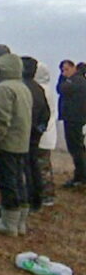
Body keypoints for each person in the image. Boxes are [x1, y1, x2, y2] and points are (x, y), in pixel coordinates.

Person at [0, 52, 33, 237]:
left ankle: (9, 223)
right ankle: (20, 222)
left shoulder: (4, 88)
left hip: (7, 143)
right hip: (22, 143)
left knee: (7, 182)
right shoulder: (23, 88)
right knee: (19, 181)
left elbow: (1, 119)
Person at [22, 56, 51, 213]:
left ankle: (29, 199)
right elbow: (46, 113)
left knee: (25, 167)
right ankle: (37, 199)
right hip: (34, 135)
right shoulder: (38, 88)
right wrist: (39, 130)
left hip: (24, 134)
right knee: (34, 166)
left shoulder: (23, 87)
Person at [57, 59, 86, 187]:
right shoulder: (79, 80)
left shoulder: (76, 81)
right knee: (77, 148)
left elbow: (60, 89)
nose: (64, 73)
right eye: (62, 70)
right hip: (75, 119)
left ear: (74, 68)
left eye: (66, 69)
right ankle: (80, 175)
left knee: (76, 148)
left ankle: (81, 176)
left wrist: (62, 77)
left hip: (74, 119)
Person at [35, 62, 58, 206]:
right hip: (48, 134)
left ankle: (46, 195)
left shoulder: (40, 90)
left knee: (41, 168)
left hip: (41, 135)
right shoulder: (48, 89)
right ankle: (48, 194)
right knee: (45, 166)